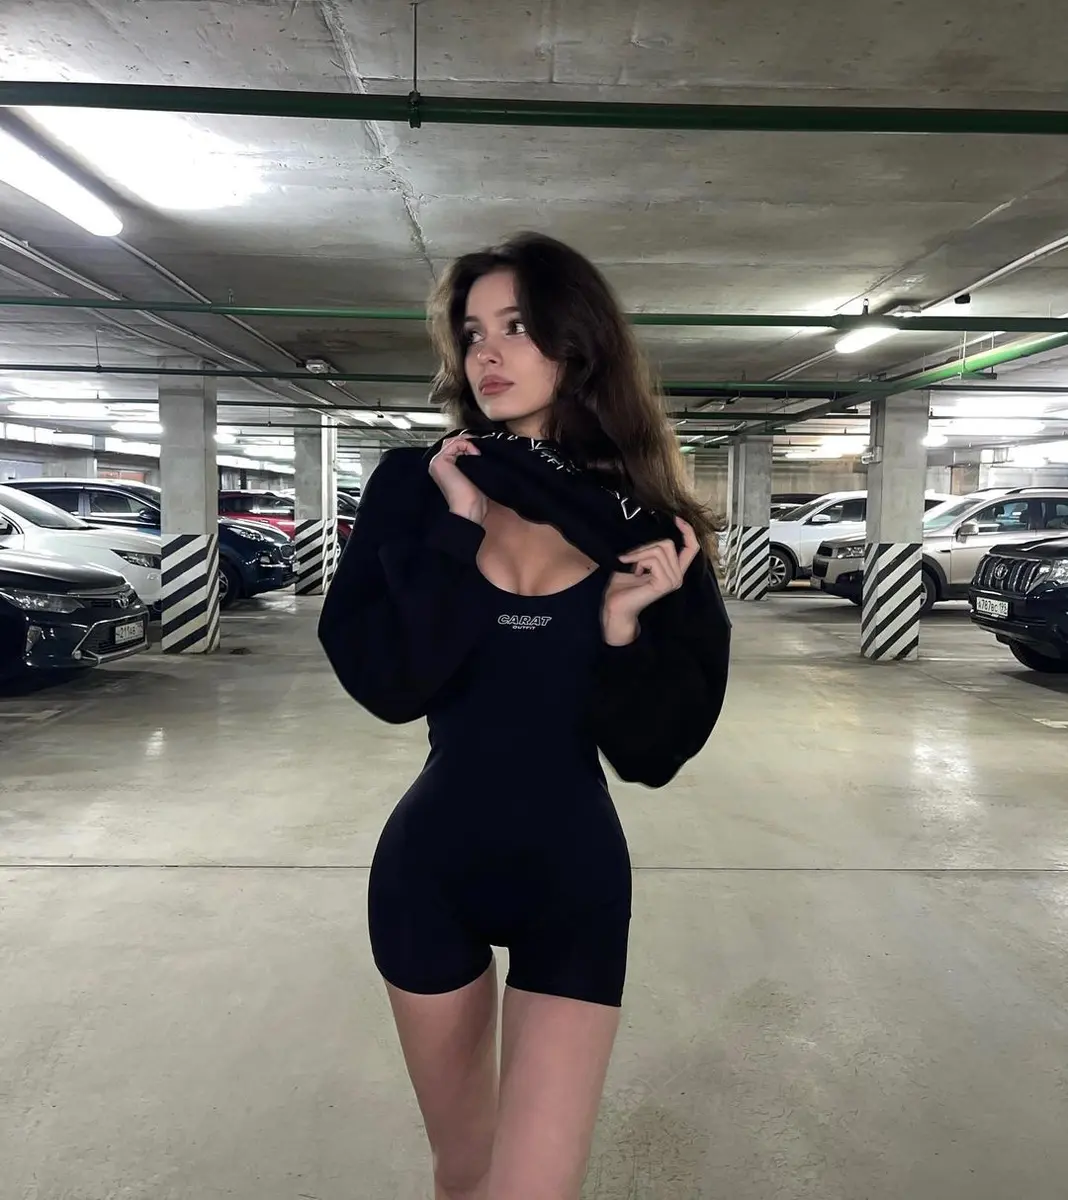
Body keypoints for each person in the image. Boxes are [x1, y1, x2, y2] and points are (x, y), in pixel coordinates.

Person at [318, 231, 731, 1200]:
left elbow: (656, 750)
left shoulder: (645, 526)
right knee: (465, 1175)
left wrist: (622, 627)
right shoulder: (418, 488)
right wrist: (457, 529)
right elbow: (391, 684)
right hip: (428, 874)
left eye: (516, 328)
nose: (487, 355)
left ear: (576, 347)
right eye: (472, 333)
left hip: (572, 882)